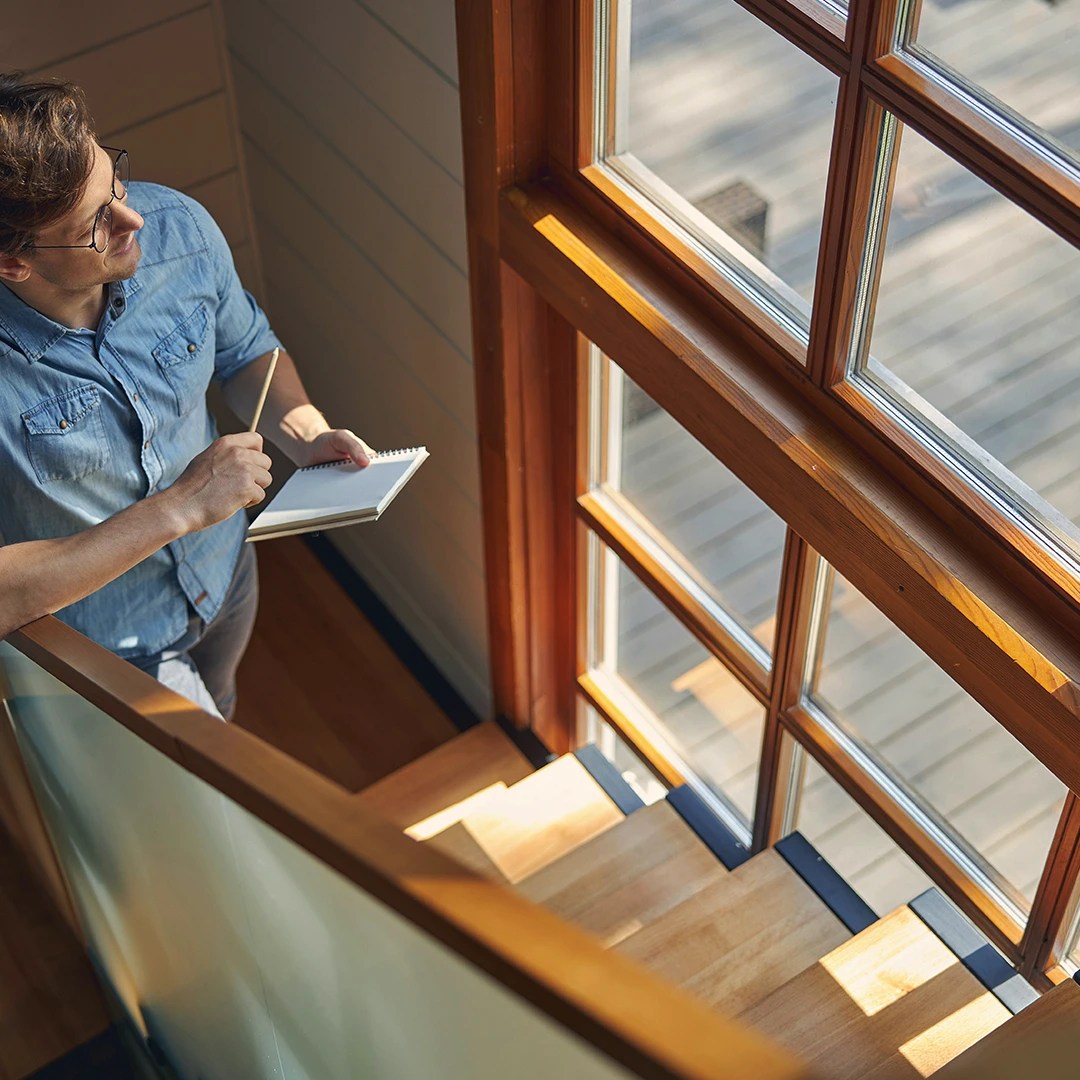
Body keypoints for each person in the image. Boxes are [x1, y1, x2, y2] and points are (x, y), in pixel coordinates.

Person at [0, 73, 373, 719]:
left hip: (223, 573)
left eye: (112, 180)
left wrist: (305, 432)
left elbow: (246, 348)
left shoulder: (181, 232)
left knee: (221, 703)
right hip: (100, 648)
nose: (134, 217)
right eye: (96, 221)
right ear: (11, 263)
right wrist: (179, 508)